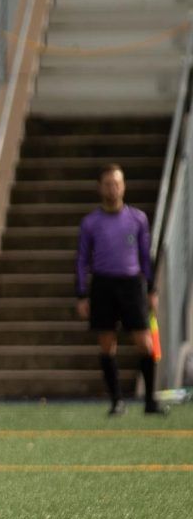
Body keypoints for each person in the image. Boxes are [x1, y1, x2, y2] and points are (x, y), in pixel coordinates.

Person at [76, 163, 164, 416]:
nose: (112, 188)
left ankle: (149, 401)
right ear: (99, 188)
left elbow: (145, 256)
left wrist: (151, 288)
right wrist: (82, 293)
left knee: (145, 343)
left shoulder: (137, 218)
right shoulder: (90, 223)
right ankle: (117, 401)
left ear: (123, 186)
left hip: (132, 285)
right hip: (103, 284)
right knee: (106, 344)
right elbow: (82, 259)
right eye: (107, 184)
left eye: (117, 183)